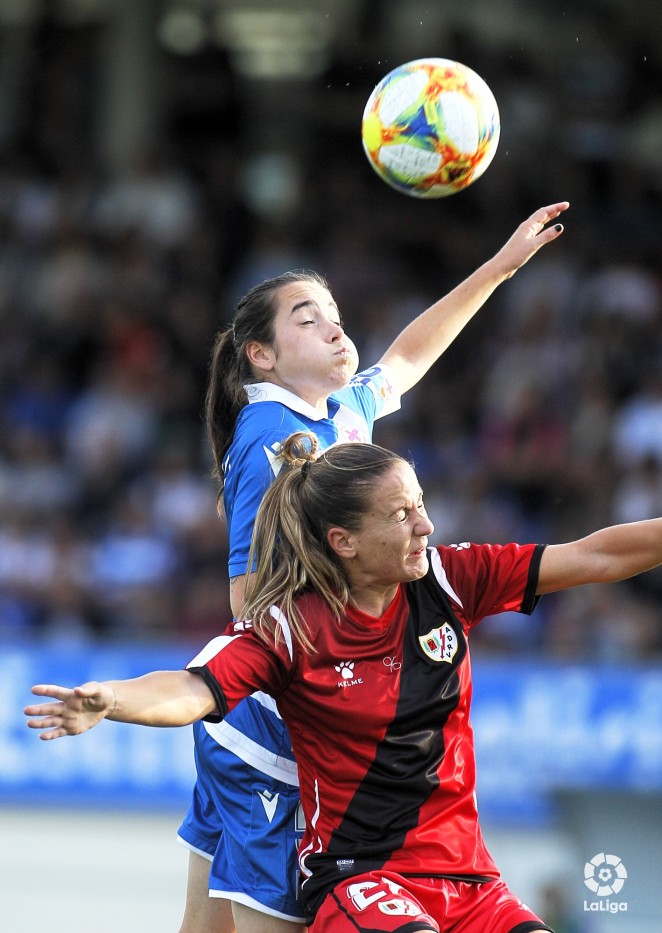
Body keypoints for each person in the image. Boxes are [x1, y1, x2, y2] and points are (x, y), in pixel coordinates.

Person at [25, 430, 662, 933]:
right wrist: (112, 700)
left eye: (422, 505)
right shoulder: (289, 629)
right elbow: (193, 690)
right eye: (402, 514)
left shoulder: (449, 581)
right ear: (345, 541)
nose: (426, 526)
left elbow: (595, 555)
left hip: (470, 881)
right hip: (361, 879)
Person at [185, 203, 570, 933]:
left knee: (202, 927)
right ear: (261, 355)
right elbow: (247, 598)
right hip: (272, 730)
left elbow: (408, 358)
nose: (336, 328)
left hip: (259, 724)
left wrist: (501, 267)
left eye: (334, 314)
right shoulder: (274, 436)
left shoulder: (335, 411)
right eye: (308, 319)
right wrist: (334, 664)